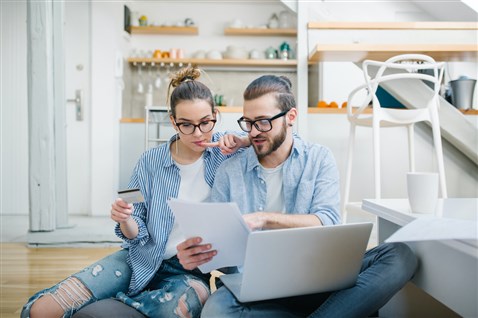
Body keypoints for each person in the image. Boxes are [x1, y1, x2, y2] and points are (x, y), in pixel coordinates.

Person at [177, 75, 418, 317]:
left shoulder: (318, 159)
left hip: (318, 280)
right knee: (217, 310)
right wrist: (199, 257)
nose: (253, 132)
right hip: (257, 287)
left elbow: (327, 220)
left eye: (262, 122)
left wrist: (263, 218)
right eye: (248, 123)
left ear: (290, 117)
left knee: (399, 255)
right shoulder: (229, 171)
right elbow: (223, 253)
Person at [21, 66, 250, 318]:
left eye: (206, 123)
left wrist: (244, 140)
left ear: (215, 115)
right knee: (42, 311)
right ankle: (119, 297)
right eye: (186, 125)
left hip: (190, 272)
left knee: (175, 307)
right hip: (138, 259)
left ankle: (118, 303)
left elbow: (276, 137)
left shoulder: (226, 151)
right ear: (172, 121)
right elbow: (134, 231)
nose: (198, 133)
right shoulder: (149, 162)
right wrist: (125, 218)